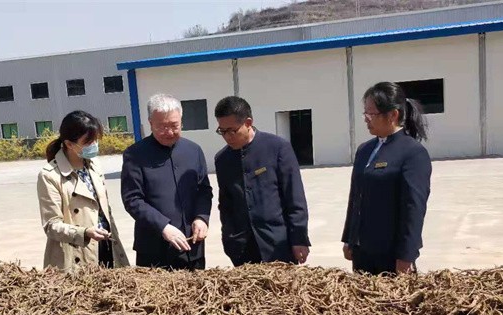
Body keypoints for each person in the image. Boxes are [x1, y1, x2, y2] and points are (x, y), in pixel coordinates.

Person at [341, 82, 432, 275]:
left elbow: (413, 208)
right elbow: (355, 197)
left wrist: (407, 254)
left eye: (371, 114)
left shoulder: (412, 153)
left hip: (391, 255)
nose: (366, 119)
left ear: (393, 115)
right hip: (362, 252)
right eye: (365, 113)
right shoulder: (364, 150)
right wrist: (349, 238)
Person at [213, 96, 311, 266]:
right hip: (242, 250)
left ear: (248, 123)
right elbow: (226, 205)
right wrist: (229, 240)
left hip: (278, 245)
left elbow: (294, 197)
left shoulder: (277, 148)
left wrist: (299, 239)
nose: (227, 137)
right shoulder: (222, 159)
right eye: (222, 131)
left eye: (232, 131)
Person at [121, 93, 213, 270]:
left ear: (181, 121)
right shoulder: (135, 155)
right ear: (150, 123)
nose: (169, 132)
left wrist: (202, 218)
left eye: (174, 125)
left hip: (192, 246)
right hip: (154, 250)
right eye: (162, 127)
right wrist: (163, 226)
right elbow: (133, 200)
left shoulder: (193, 150)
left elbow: (204, 190)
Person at [37, 110, 129, 271]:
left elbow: (105, 211)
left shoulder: (94, 165)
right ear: (69, 144)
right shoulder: (50, 175)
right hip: (76, 252)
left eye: (96, 140)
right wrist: (84, 232)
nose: (94, 145)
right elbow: (51, 225)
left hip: (106, 245)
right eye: (88, 142)